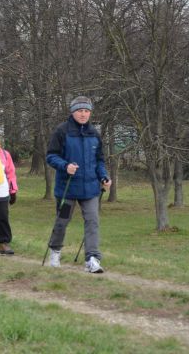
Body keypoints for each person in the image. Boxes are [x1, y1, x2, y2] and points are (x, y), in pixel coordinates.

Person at [46, 96, 111, 273]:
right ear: (73, 112)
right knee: (62, 221)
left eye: (86, 111)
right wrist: (65, 166)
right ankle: (55, 251)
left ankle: (92, 259)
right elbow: (51, 156)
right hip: (67, 189)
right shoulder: (62, 131)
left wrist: (104, 176)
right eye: (80, 111)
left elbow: (99, 161)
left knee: (92, 221)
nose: (83, 114)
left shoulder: (94, 134)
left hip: (90, 189)